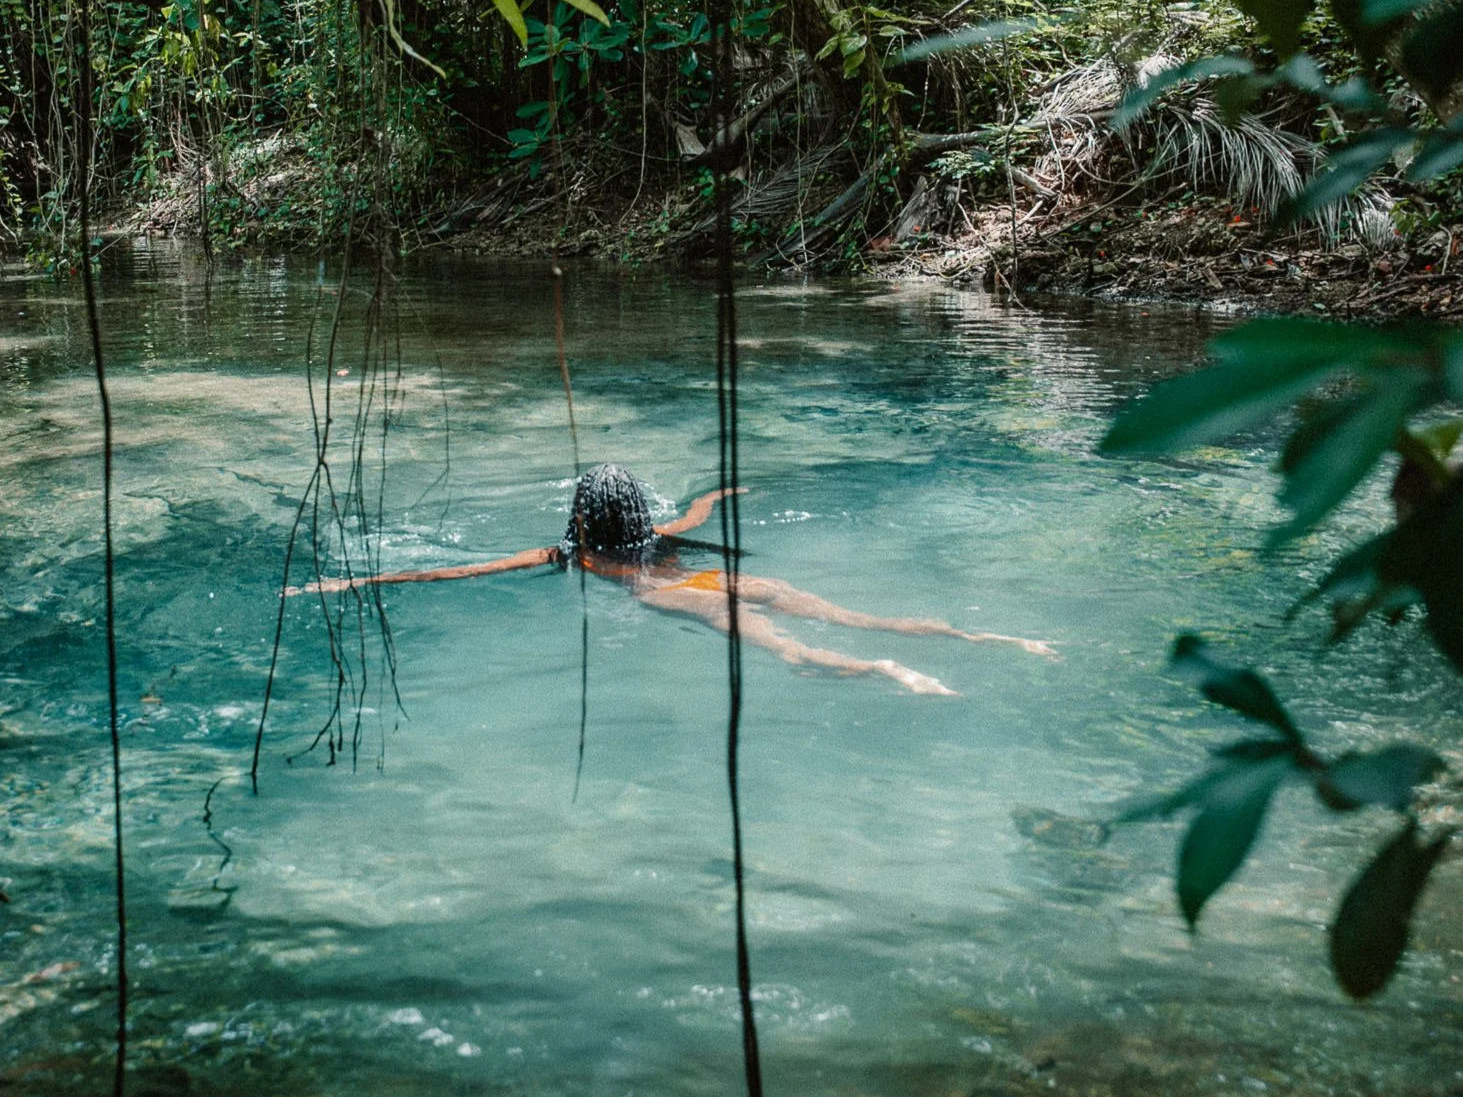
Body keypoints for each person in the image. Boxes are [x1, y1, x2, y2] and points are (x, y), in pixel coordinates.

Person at [291, 463, 1054, 694]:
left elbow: (452, 571)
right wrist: (722, 496)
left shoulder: (569, 552)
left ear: (582, 513)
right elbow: (694, 508)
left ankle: (892, 672)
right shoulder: (664, 533)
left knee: (784, 651)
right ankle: (990, 636)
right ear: (635, 507)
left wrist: (351, 584)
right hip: (717, 577)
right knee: (859, 612)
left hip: (678, 599)